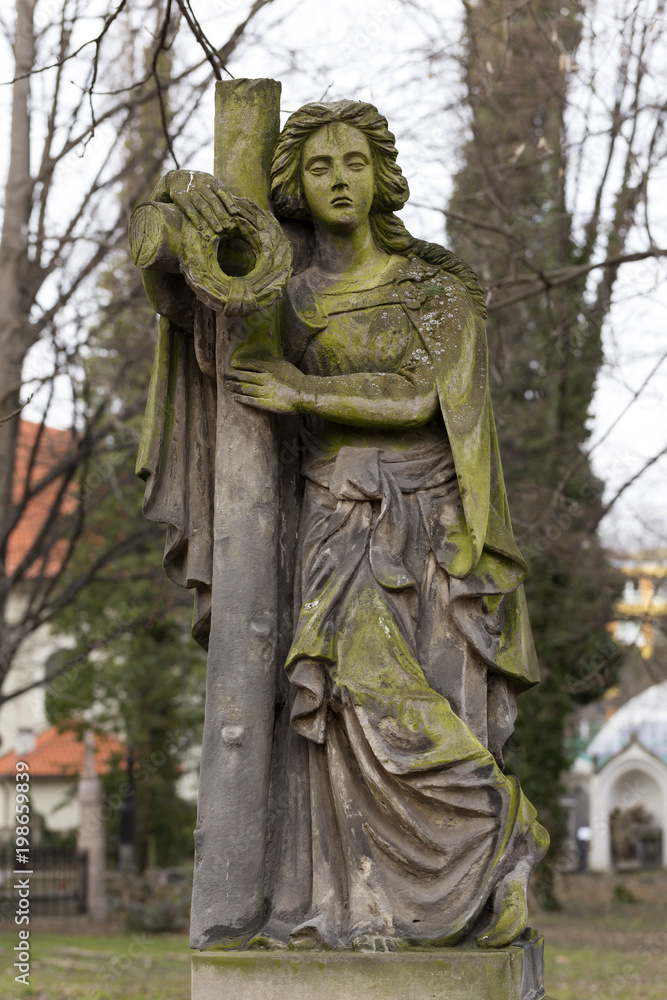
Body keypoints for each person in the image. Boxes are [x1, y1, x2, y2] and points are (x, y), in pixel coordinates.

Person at [136, 100, 548, 950]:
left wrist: (303, 390)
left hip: (432, 534)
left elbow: (420, 397)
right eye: (319, 167)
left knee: (424, 705)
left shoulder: (434, 289)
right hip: (332, 527)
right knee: (347, 704)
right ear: (294, 183)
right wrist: (169, 214)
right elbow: (199, 323)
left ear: (380, 176)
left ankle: (490, 839)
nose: (338, 180)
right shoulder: (281, 291)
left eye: (352, 163)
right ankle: (358, 905)